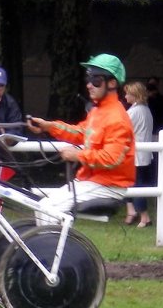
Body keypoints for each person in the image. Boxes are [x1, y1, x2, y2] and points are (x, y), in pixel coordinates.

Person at [26, 54, 136, 225]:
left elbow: (112, 158)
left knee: (48, 208)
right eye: (88, 78)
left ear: (112, 83)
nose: (89, 84)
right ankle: (51, 248)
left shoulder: (117, 118)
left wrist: (77, 156)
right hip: (91, 181)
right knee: (42, 206)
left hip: (108, 186)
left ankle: (49, 251)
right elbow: (80, 132)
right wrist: (48, 126)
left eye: (96, 79)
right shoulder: (98, 112)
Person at [123, 81, 153, 228]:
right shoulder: (146, 110)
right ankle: (133, 212)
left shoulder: (133, 112)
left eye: (128, 93)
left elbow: (122, 130)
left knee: (136, 186)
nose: (125, 96)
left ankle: (144, 217)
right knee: (133, 184)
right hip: (144, 155)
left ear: (134, 95)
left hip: (136, 156)